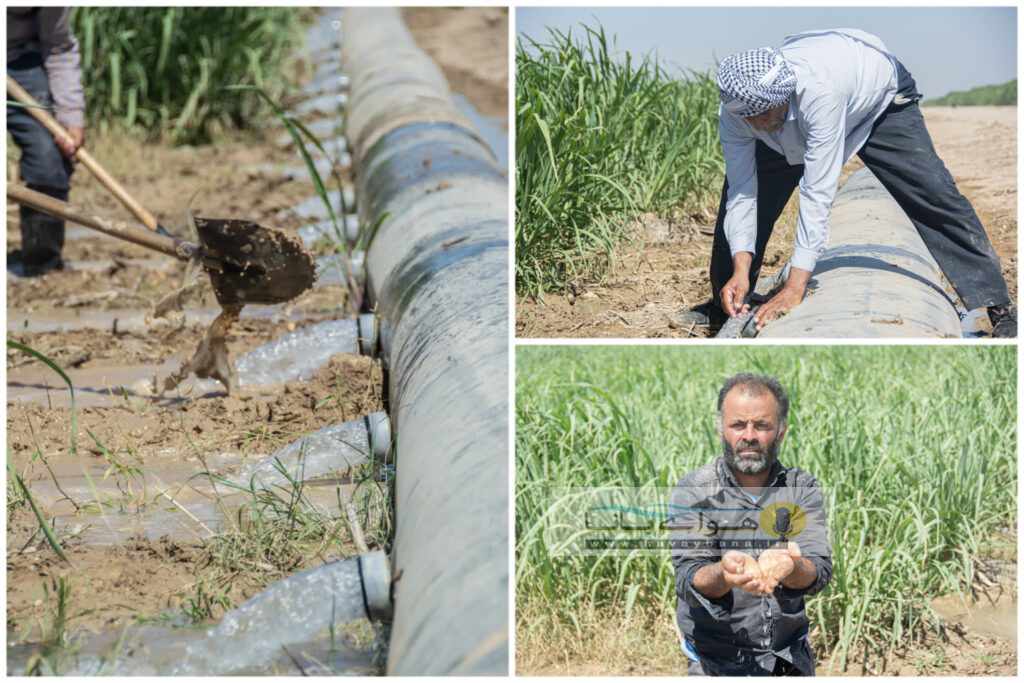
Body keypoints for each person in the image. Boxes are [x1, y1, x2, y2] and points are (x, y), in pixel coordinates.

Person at [677, 29, 1016, 338]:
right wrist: (740, 267)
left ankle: (995, 304)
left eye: (765, 115)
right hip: (803, 115)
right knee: (739, 207)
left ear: (784, 95)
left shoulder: (820, 90)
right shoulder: (737, 114)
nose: (760, 124)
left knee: (931, 193)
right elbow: (742, 191)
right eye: (751, 118)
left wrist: (796, 287)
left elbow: (817, 190)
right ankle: (729, 303)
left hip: (878, 103)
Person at [671, 373, 832, 676]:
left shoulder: (800, 487)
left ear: (781, 431)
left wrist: (792, 566)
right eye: (737, 425)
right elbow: (688, 577)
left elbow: (819, 571)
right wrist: (726, 573)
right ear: (722, 428)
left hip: (787, 658)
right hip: (714, 663)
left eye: (761, 425)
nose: (749, 436)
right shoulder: (695, 489)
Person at [7, 7, 85, 276]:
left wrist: (71, 115)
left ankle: (41, 265)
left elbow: (59, 47)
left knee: (49, 157)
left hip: (18, 61)